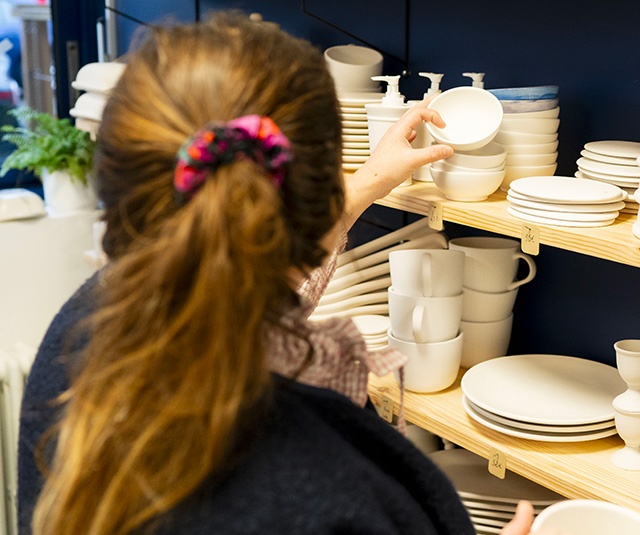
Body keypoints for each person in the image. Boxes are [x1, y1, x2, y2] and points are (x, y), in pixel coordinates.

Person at [17, 12, 543, 535]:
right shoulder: (328, 490)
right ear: (317, 197)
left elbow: (229, 265)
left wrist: (359, 188)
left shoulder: (77, 340)